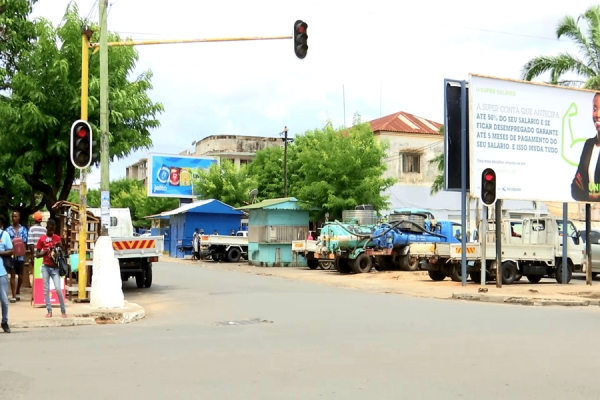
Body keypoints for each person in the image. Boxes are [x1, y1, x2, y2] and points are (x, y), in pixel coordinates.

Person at [35, 219, 67, 318]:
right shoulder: (42, 239)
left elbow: (63, 252)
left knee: (58, 288)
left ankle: (63, 310)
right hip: (45, 267)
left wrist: (61, 247)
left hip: (55, 268)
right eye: (50, 229)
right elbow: (37, 254)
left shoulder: (57, 238)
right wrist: (46, 252)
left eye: (53, 229)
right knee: (46, 289)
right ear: (47, 228)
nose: (52, 231)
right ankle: (49, 310)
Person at [572, 92, 600, 201]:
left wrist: (592, 195)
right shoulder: (589, 145)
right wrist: (591, 196)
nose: (597, 114)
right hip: (589, 213)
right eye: (594, 109)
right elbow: (575, 188)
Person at [6, 210, 27, 303]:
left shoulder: (24, 229)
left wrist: (24, 252)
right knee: (13, 275)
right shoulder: (8, 230)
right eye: (12, 216)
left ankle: (18, 290)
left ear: (19, 218)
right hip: (12, 257)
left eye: (15, 216)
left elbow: (25, 242)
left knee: (21, 275)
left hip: (21, 256)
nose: (14, 218)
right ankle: (14, 295)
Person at [0, 215, 14, 333]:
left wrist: (1, 252)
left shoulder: (4, 235)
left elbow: (11, 250)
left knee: (4, 300)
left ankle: (4, 322)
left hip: (2, 272)